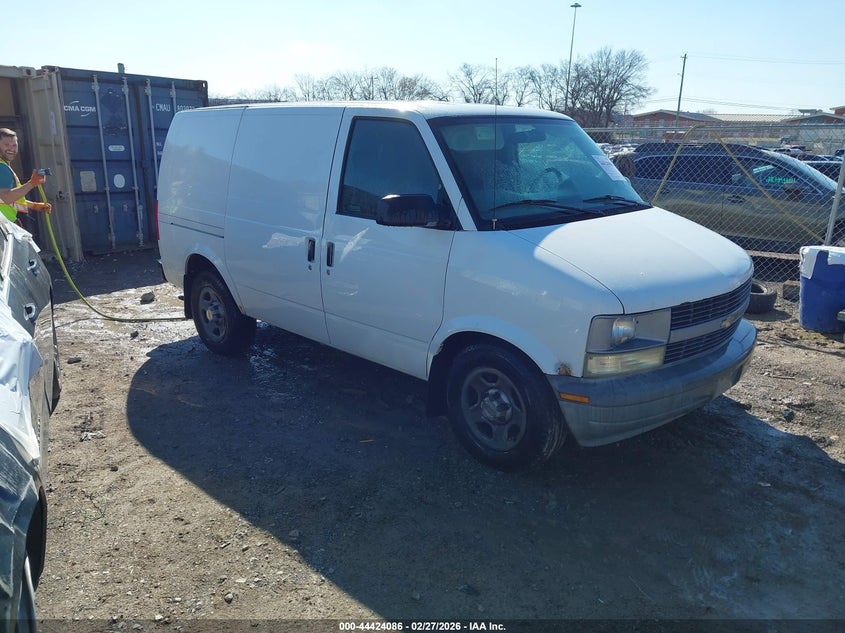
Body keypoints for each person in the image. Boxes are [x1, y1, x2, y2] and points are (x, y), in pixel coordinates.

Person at [0, 127, 52, 225]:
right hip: (4, 225)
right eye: (6, 145)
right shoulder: (1, 167)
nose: (11, 148)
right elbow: (6, 197)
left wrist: (33, 205)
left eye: (14, 145)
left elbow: (4, 197)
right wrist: (32, 183)